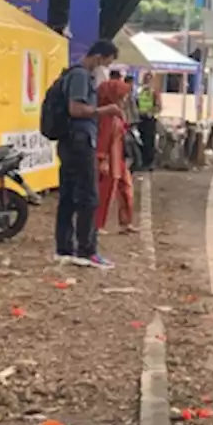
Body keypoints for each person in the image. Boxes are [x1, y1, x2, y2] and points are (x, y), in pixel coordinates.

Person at [56, 39, 121, 269]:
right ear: (99, 57)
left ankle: (65, 248)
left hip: (71, 141)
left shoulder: (73, 74)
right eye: (107, 62)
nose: (105, 67)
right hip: (79, 142)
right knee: (88, 197)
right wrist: (104, 111)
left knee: (68, 196)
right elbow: (76, 109)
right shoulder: (81, 76)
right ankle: (87, 250)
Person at [94, 80, 137, 234]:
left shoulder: (115, 113)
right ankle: (98, 224)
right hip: (110, 157)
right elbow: (103, 139)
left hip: (118, 156)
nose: (125, 99)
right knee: (106, 191)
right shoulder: (107, 116)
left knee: (126, 189)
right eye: (122, 96)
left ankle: (126, 221)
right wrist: (102, 159)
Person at [136, 71, 160, 170]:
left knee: (149, 141)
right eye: (146, 79)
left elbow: (158, 106)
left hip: (150, 119)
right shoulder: (139, 91)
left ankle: (149, 162)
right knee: (141, 140)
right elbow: (137, 102)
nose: (147, 81)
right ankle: (142, 161)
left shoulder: (154, 92)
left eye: (149, 79)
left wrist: (151, 112)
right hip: (140, 118)